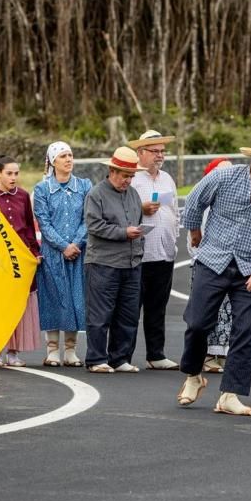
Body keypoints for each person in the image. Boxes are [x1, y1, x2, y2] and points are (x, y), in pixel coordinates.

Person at [176, 129, 251, 417]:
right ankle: (193, 375)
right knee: (197, 324)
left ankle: (230, 395)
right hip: (212, 261)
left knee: (245, 332)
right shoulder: (224, 177)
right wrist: (195, 232)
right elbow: (194, 202)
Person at [83, 147, 145, 373]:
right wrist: (123, 232)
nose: (128, 180)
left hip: (131, 263)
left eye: (131, 176)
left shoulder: (134, 194)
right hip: (103, 262)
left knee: (128, 314)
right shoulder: (96, 194)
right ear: (112, 171)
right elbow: (94, 225)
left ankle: (119, 358)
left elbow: (137, 221)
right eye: (125, 175)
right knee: (100, 314)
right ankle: (96, 359)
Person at [33, 142, 93, 367]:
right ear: (53, 161)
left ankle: (70, 349)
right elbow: (44, 222)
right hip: (52, 255)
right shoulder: (42, 189)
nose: (68, 159)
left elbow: (88, 218)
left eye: (70, 155)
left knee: (76, 298)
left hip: (78, 252)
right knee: (54, 298)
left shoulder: (84, 185)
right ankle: (52, 350)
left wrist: (75, 243)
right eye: (63, 156)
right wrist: (63, 246)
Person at [128, 130, 180, 370]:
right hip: (139, 254)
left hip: (164, 252)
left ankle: (156, 354)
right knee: (131, 308)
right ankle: (122, 356)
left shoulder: (167, 178)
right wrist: (141, 209)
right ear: (141, 152)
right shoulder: (132, 178)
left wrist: (174, 240)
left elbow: (174, 212)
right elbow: (121, 210)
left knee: (157, 308)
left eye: (162, 151)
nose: (160, 155)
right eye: (155, 151)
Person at [0, 156, 42, 367]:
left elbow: (28, 228)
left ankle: (13, 352)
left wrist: (34, 252)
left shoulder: (23, 196)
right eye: (9, 173)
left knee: (18, 305)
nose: (13, 177)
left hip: (20, 259)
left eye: (16, 173)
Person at [186, 158, 234, 373]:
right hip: (208, 264)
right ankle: (205, 356)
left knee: (227, 313)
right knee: (207, 312)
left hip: (229, 264)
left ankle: (221, 353)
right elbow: (193, 238)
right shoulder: (205, 202)